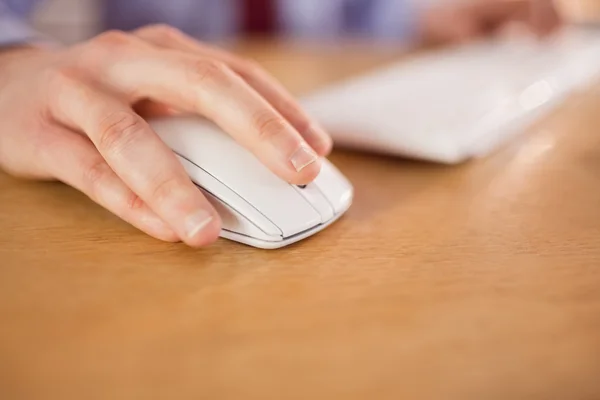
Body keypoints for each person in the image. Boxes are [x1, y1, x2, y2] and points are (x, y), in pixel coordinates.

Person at [0, 0, 561, 247]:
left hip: (300, 89)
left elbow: (346, 11)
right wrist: (12, 61)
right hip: (155, 103)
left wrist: (425, 14)